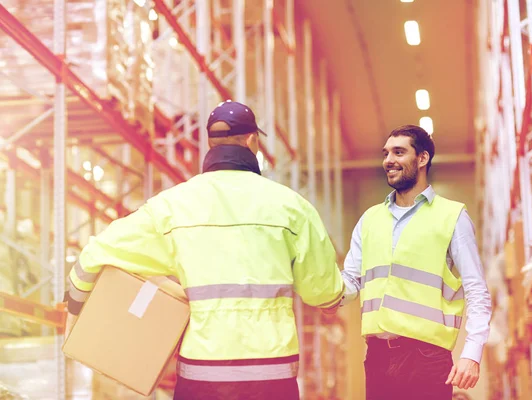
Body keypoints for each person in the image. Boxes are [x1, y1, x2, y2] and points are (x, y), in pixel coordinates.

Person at [64, 100, 345, 400]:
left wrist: (75, 305)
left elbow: (95, 254)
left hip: (202, 377)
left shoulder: (172, 207)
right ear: (253, 141)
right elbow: (322, 291)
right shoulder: (293, 208)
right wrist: (334, 300)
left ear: (210, 143)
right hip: (271, 377)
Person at [338, 125, 492, 399]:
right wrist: (326, 293)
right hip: (377, 357)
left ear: (422, 159)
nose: (388, 160)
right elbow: (350, 281)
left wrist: (472, 353)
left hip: (427, 357)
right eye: (386, 153)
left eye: (399, 152)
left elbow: (477, 289)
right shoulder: (369, 219)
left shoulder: (452, 216)